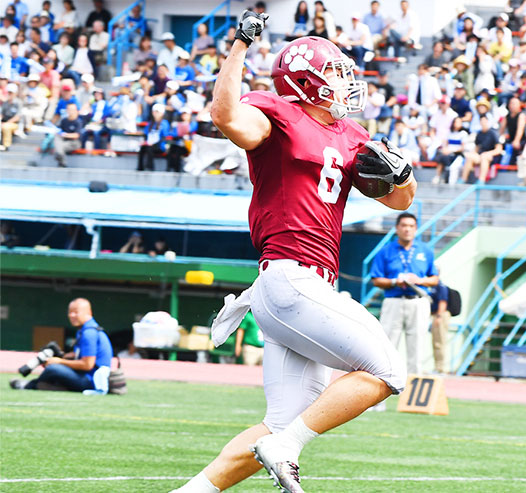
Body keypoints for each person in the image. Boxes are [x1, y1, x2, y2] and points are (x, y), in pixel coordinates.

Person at [172, 12, 415, 493]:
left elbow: (400, 201)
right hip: (291, 278)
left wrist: (404, 174)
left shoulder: (354, 137)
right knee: (387, 371)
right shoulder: (278, 116)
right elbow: (224, 116)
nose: (347, 82)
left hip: (297, 287)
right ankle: (288, 448)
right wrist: (240, 45)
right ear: (307, 83)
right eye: (336, 74)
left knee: (278, 422)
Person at [371, 212, 439, 375]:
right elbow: (376, 280)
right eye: (404, 226)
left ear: (416, 229)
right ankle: (385, 384)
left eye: (411, 226)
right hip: (394, 300)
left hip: (418, 300)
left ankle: (411, 391)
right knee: (388, 345)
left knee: (416, 346)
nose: (407, 229)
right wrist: (395, 281)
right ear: (397, 228)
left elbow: (435, 279)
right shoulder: (386, 251)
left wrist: (419, 280)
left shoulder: (425, 251)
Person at [10, 298, 113, 393]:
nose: (71, 315)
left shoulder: (89, 333)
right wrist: (64, 356)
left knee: (53, 368)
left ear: (89, 312)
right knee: (55, 366)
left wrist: (59, 361)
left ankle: (30, 385)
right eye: (70, 312)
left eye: (76, 312)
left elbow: (88, 365)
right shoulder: (85, 330)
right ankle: (50, 385)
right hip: (86, 376)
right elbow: (82, 356)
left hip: (92, 381)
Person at [428, 276, 450, 374]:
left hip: (440, 315)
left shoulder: (440, 287)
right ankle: (437, 367)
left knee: (439, 342)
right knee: (435, 342)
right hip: (436, 315)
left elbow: (443, 301)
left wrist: (439, 316)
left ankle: (440, 368)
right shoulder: (432, 287)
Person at [53, 102, 83, 167]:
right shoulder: (64, 121)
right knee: (57, 139)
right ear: (67, 110)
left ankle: (60, 157)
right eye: (69, 109)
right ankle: (61, 159)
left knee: (59, 147)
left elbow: (76, 135)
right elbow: (59, 131)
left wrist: (65, 135)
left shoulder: (78, 122)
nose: (71, 111)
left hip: (74, 143)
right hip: (64, 142)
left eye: (73, 110)